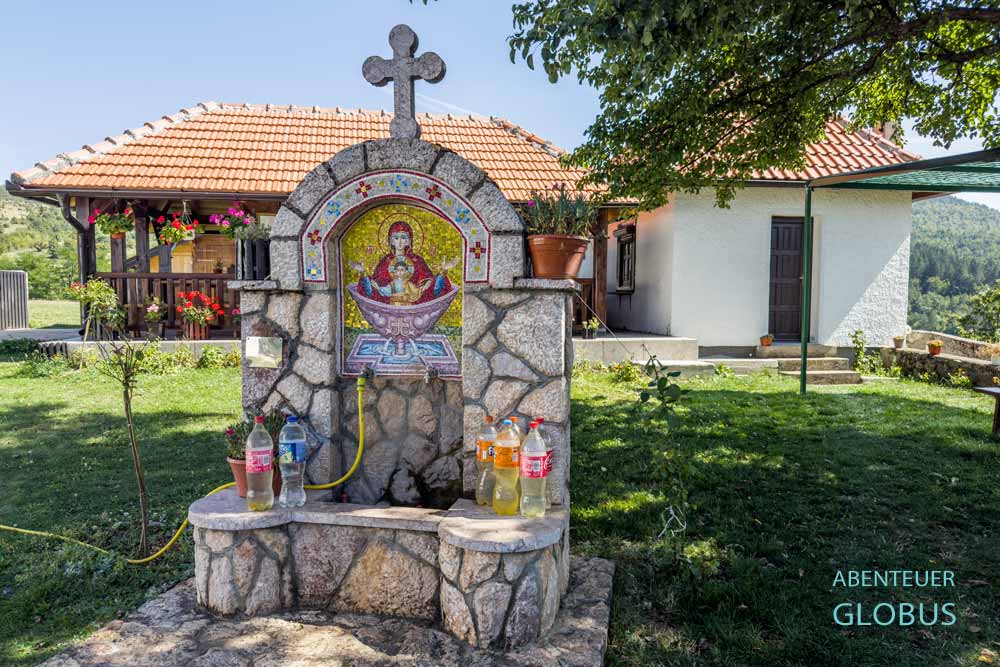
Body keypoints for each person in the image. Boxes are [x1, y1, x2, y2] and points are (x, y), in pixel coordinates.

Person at [350, 220, 456, 305]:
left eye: (403, 237)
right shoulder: (385, 261)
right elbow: (374, 289)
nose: (400, 241)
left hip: (414, 302)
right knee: (369, 283)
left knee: (435, 282)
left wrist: (443, 271)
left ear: (409, 240)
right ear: (391, 240)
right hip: (389, 303)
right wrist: (363, 273)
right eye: (396, 238)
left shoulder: (417, 261)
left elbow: (430, 288)